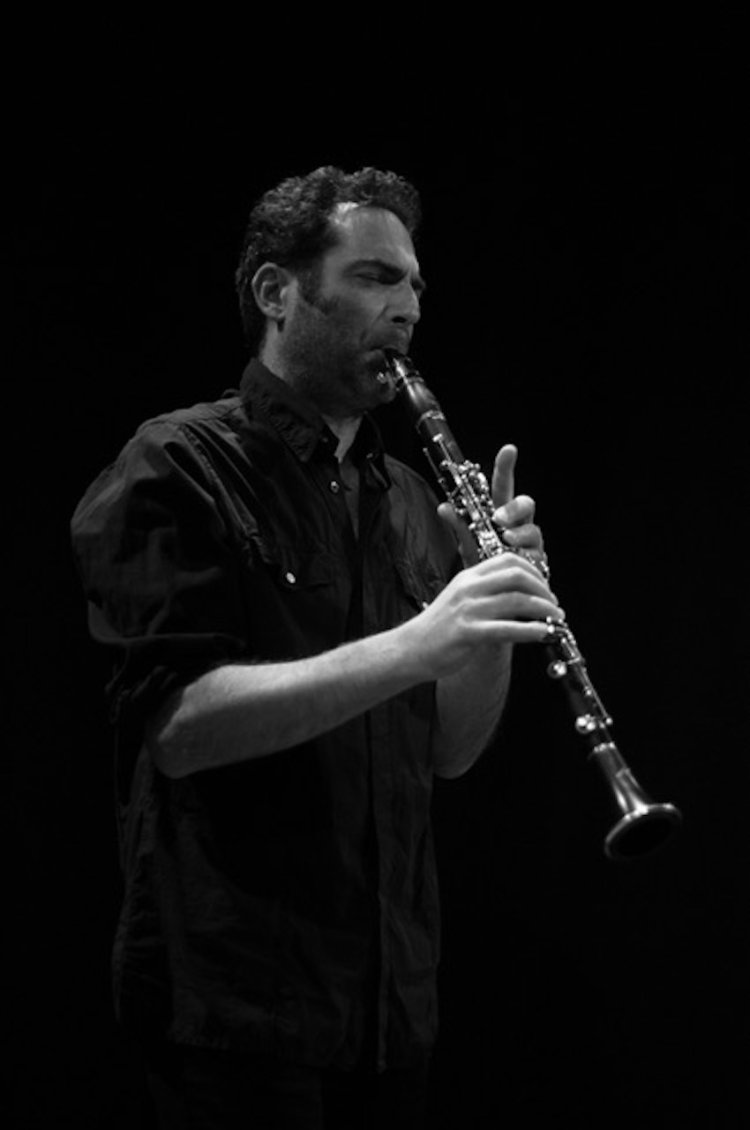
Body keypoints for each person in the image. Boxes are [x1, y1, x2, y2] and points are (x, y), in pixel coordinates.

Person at [71, 165, 562, 1129]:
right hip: (235, 1014)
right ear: (276, 292)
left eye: (415, 286)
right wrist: (421, 640)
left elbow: (450, 751)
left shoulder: (410, 500)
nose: (407, 308)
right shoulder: (178, 464)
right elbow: (181, 728)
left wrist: (489, 613)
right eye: (376, 277)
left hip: (387, 1011)